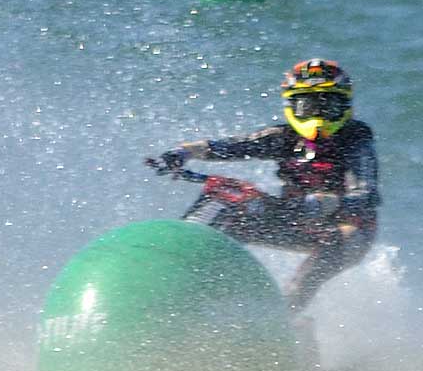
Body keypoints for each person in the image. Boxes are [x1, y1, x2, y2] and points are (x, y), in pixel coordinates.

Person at [148, 58, 379, 311]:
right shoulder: (283, 137)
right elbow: (234, 145)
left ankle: (287, 315)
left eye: (329, 106)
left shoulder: (356, 139)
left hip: (347, 232)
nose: (318, 115)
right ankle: (186, 280)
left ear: (345, 105)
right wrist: (183, 153)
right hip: (295, 221)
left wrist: (329, 202)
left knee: (338, 242)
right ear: (292, 106)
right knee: (228, 203)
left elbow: (365, 195)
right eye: (308, 106)